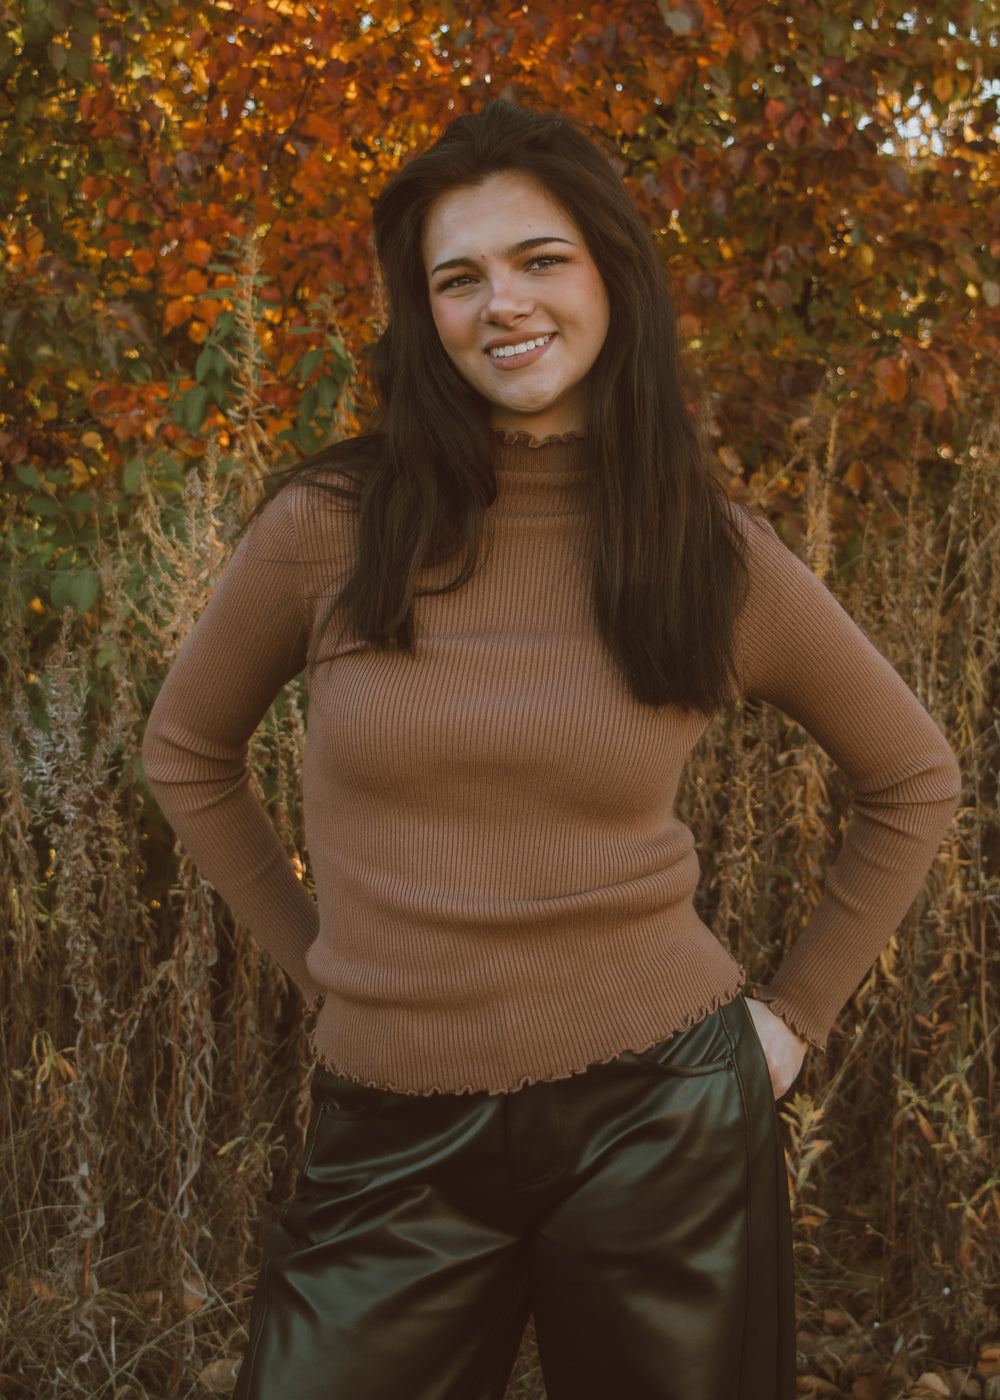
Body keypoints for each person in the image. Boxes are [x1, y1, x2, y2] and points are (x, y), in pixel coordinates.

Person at [142, 101, 961, 1400]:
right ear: (424, 313)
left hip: (662, 1118)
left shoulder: (708, 550)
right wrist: (323, 967)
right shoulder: (329, 526)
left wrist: (795, 1016)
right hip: (389, 1131)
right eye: (457, 278)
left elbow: (913, 777)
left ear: (610, 277)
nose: (503, 304)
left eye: (540, 260)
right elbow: (187, 752)